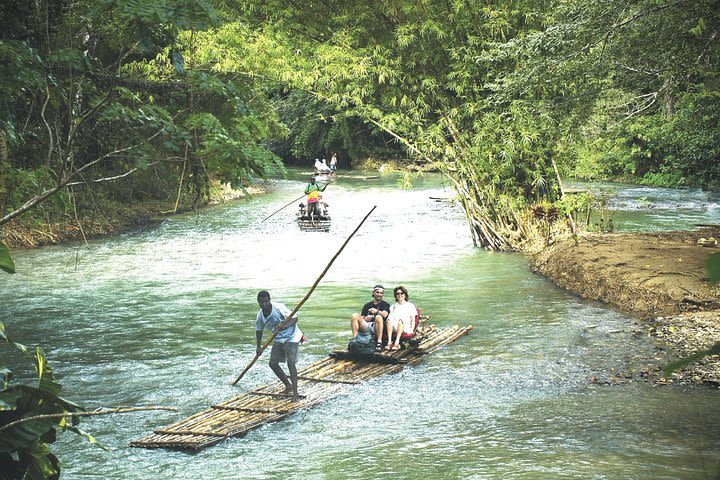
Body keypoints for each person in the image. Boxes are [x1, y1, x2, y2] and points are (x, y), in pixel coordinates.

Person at [255, 290, 303, 402]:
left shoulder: (279, 308)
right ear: (258, 302)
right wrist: (258, 346)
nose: (264, 305)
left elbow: (295, 318)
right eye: (261, 302)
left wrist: (284, 326)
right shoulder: (260, 316)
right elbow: (259, 330)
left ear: (269, 300)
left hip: (292, 337)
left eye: (266, 302)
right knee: (272, 363)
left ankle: (295, 393)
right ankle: (288, 385)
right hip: (279, 338)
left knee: (290, 363)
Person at [350, 284, 390, 349]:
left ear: (383, 294)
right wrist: (365, 319)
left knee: (378, 317)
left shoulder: (385, 304)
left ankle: (379, 342)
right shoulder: (367, 305)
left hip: (376, 326)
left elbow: (385, 315)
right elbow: (361, 317)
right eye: (377, 292)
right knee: (354, 315)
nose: (379, 294)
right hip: (366, 325)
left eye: (381, 293)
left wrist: (377, 311)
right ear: (373, 293)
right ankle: (355, 339)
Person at [385, 285, 417, 350]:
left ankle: (396, 342)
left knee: (401, 320)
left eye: (401, 293)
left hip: (405, 326)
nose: (400, 295)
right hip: (395, 326)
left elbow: (413, 319)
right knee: (389, 320)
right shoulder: (393, 306)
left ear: (405, 295)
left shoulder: (410, 305)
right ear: (396, 295)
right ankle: (389, 342)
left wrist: (412, 330)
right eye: (397, 293)